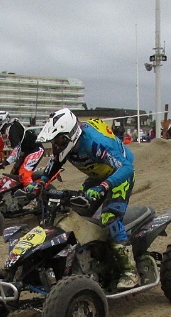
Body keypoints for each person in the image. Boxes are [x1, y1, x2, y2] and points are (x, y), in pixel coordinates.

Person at [25, 108, 139, 289]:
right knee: (73, 216)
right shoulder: (65, 145)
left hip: (118, 176)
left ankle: (130, 271)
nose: (56, 144)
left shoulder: (94, 143)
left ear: (71, 135)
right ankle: (85, 260)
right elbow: (55, 162)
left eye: (59, 140)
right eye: (54, 141)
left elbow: (127, 168)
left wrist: (104, 186)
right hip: (96, 178)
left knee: (110, 218)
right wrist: (41, 183)